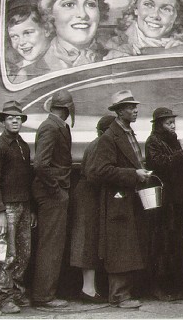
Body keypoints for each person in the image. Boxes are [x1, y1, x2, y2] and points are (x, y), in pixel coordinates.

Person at [88, 90, 152, 308]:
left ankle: (124, 293)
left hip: (127, 197)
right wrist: (134, 175)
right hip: (117, 199)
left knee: (127, 247)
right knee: (119, 248)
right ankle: (119, 296)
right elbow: (101, 170)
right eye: (130, 107)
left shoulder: (127, 133)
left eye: (135, 106)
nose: (135, 110)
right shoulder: (110, 137)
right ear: (119, 111)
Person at [0, 100, 36, 315]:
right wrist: (0, 213)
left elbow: (27, 179)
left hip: (23, 205)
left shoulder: (22, 145)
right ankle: (3, 296)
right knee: (6, 253)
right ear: (3, 121)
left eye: (18, 118)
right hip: (7, 209)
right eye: (10, 118)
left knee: (24, 252)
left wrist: (31, 208)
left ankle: (16, 292)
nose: (15, 121)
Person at [144, 107, 183, 301]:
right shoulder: (153, 142)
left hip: (177, 199)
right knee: (162, 244)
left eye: (173, 122)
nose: (173, 126)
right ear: (159, 125)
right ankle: (160, 286)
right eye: (168, 123)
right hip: (164, 201)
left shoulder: (173, 140)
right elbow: (159, 163)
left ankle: (175, 284)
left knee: (175, 243)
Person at [31, 90, 75, 308]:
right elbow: (40, 164)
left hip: (55, 192)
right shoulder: (51, 127)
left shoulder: (57, 125)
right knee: (51, 244)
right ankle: (43, 295)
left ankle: (45, 292)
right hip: (52, 194)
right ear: (67, 108)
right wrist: (56, 189)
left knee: (53, 244)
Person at [70, 114, 115, 303]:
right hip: (89, 196)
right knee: (88, 240)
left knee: (89, 239)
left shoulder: (95, 143)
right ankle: (87, 289)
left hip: (87, 194)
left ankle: (90, 288)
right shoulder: (100, 145)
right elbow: (93, 173)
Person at [38, 0, 108, 69]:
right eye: (69, 4)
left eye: (90, 4)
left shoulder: (120, 59)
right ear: (50, 13)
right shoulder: (29, 72)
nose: (82, 14)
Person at [5, 0, 51, 82]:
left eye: (27, 33)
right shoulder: (14, 68)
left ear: (46, 29)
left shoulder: (55, 64)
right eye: (14, 36)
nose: (21, 42)